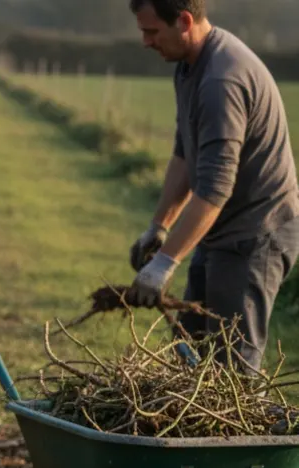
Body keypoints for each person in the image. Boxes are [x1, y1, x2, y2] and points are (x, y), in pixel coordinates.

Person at [126, 0, 299, 371]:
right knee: (189, 353)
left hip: (256, 236)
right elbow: (184, 156)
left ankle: (242, 433)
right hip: (220, 231)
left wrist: (164, 264)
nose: (145, 41)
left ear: (184, 21)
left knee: (229, 368)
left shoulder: (221, 80)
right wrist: (159, 227)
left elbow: (216, 188)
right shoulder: (190, 67)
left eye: (152, 31)